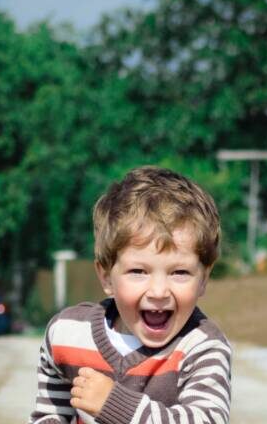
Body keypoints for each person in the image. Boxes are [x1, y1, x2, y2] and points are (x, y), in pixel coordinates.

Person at [29, 166, 232, 424]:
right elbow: (49, 413)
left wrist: (115, 406)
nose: (159, 291)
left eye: (179, 272)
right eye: (138, 271)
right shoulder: (67, 334)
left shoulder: (201, 346)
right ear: (106, 277)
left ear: (203, 278)